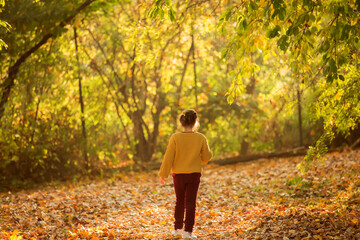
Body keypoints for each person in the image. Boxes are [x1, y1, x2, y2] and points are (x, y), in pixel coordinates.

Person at [158, 109, 212, 239]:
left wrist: (163, 174)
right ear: (195, 123)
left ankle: (177, 230)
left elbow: (168, 157)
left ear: (181, 122)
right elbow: (206, 157)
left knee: (180, 201)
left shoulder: (175, 138)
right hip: (194, 175)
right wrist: (201, 156)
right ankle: (188, 232)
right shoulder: (201, 138)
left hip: (178, 175)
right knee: (191, 203)